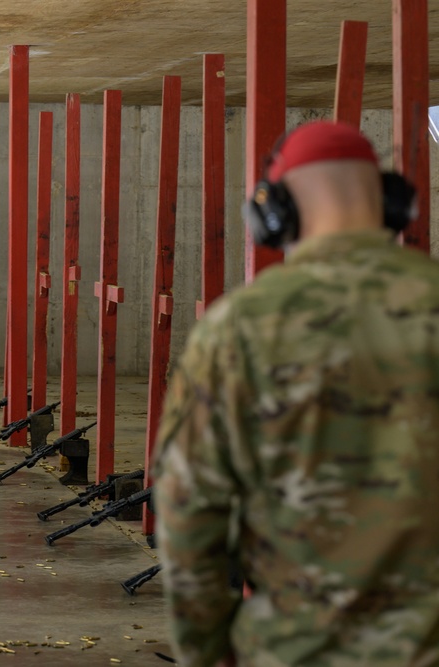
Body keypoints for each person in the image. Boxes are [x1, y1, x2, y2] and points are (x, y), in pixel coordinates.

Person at [152, 120, 438, 665]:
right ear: (392, 203)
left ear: (274, 212)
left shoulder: (240, 326)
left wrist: (207, 652)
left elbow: (189, 509)